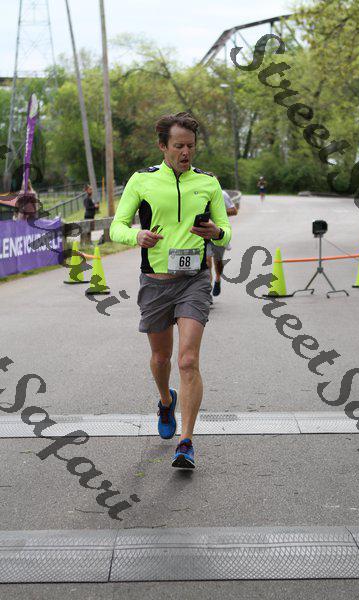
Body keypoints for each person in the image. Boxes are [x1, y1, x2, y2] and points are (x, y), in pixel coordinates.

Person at [110, 112, 231, 469]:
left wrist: (216, 233)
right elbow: (116, 226)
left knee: (188, 360)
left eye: (190, 146)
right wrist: (136, 235)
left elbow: (226, 229)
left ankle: (186, 442)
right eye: (178, 146)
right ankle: (166, 401)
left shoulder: (207, 183)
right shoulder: (142, 181)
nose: (186, 152)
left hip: (194, 280)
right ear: (163, 146)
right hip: (155, 282)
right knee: (161, 359)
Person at [206, 185, 238, 297]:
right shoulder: (198, 193)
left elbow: (234, 210)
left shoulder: (222, 194)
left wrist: (216, 211)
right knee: (207, 262)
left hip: (218, 232)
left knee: (218, 261)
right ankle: (207, 293)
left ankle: (218, 279)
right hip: (204, 233)